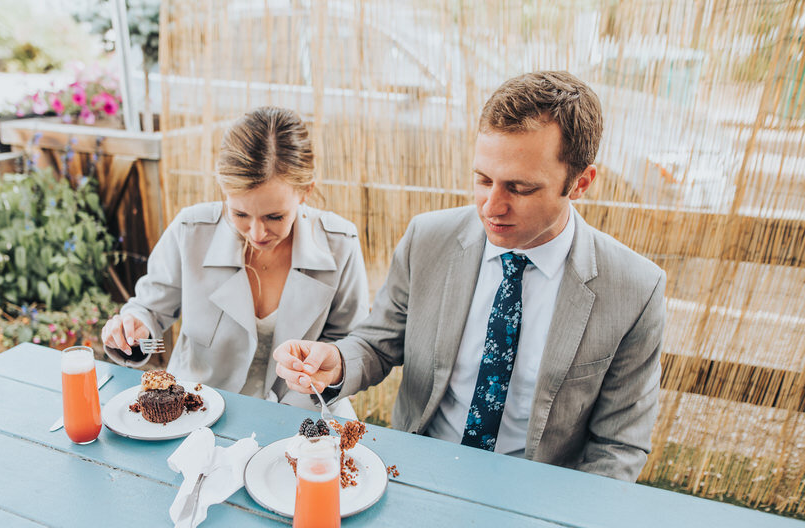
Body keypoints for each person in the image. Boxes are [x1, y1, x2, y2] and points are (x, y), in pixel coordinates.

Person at [274, 71, 666, 481]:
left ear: (581, 182)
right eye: (482, 179)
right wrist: (334, 362)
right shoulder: (427, 238)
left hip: (538, 496)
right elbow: (378, 344)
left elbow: (619, 447)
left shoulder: (635, 291)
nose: (491, 207)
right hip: (417, 470)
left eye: (520, 188)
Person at [102, 106, 369, 416]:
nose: (257, 233)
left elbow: (354, 346)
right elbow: (148, 310)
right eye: (240, 213)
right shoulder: (190, 232)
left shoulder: (340, 244)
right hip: (199, 409)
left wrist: (328, 365)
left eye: (275, 216)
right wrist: (133, 328)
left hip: (305, 414)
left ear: (305, 191)